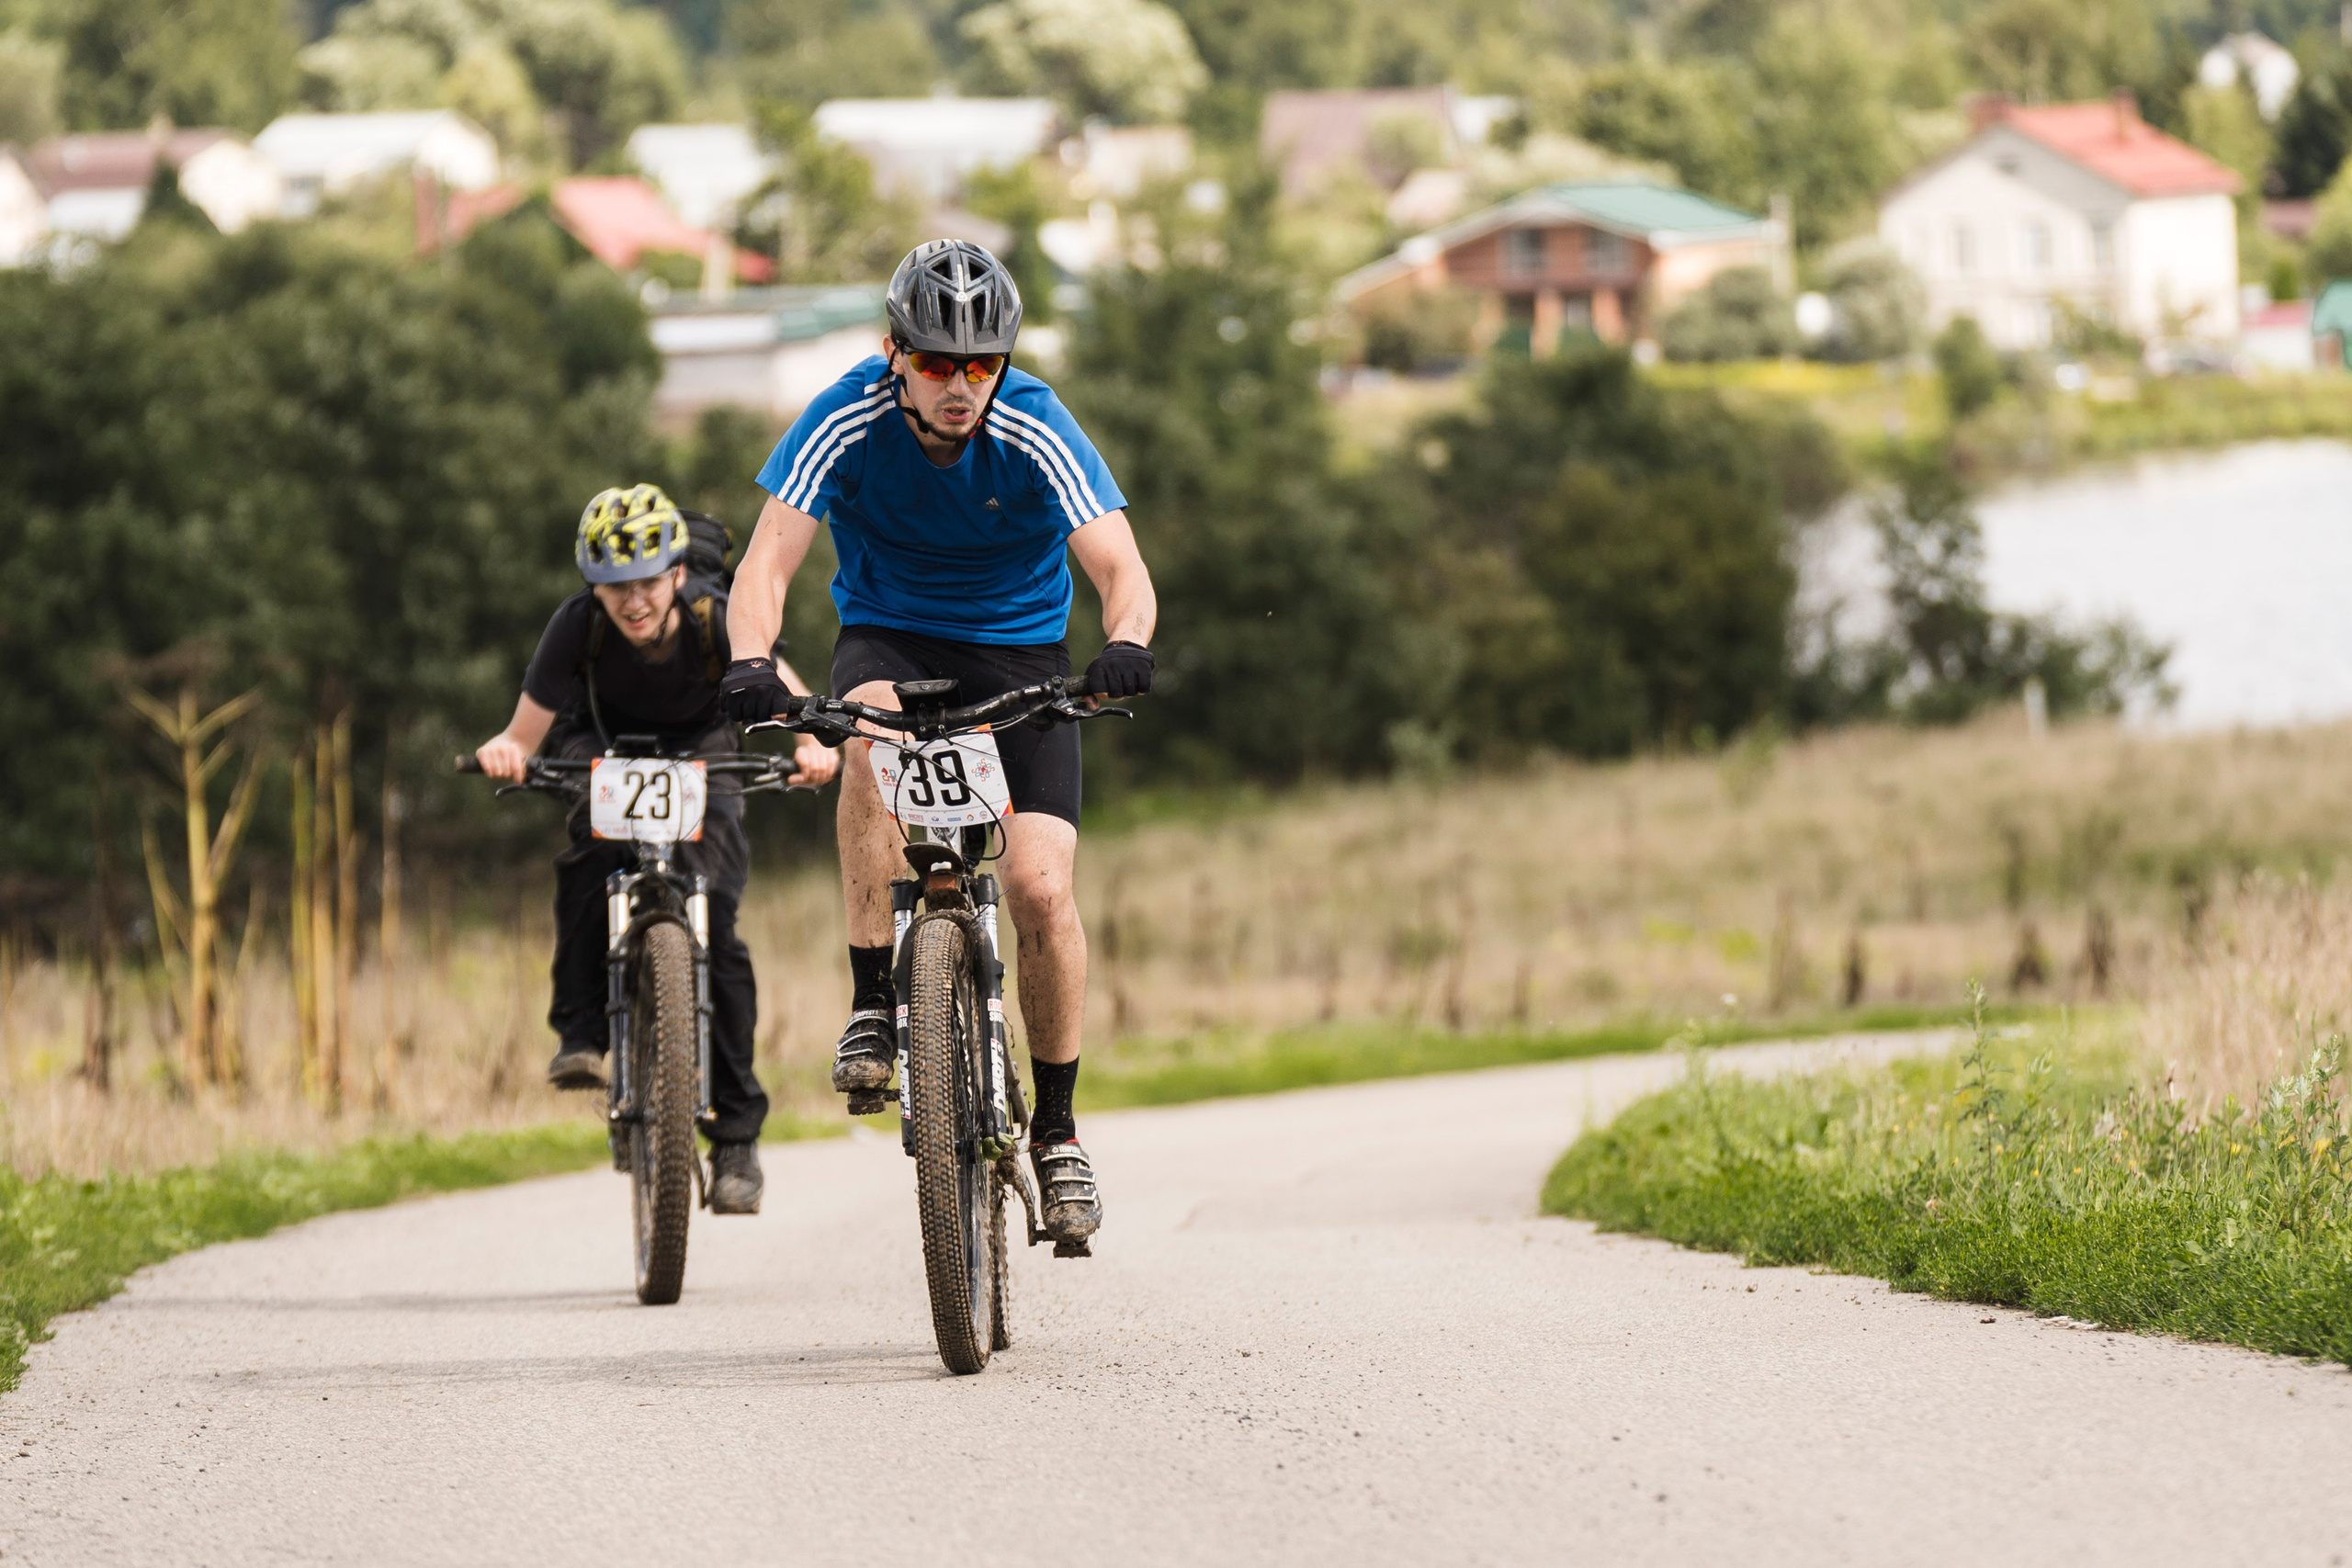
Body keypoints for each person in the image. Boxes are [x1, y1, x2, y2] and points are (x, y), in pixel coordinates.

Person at [719, 240, 1157, 1247]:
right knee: (868, 740)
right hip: (891, 634)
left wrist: (1126, 642)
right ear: (894, 353)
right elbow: (767, 558)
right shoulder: (845, 413)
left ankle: (1055, 1134)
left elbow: (1120, 563)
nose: (961, 387)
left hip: (1022, 654)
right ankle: (875, 997)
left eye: (982, 365)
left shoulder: (1037, 422)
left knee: (1043, 889)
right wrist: (750, 657)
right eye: (936, 364)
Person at [475, 484, 839, 1214]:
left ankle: (736, 1139)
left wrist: (809, 743)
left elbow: (779, 684)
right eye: (614, 589)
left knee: (720, 931)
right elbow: (524, 731)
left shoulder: (713, 615)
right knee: (588, 862)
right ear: (595, 590)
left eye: (646, 583)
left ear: (676, 575)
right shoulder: (577, 626)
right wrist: (509, 753)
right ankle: (581, 1032)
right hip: (601, 742)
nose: (632, 602)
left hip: (703, 749)